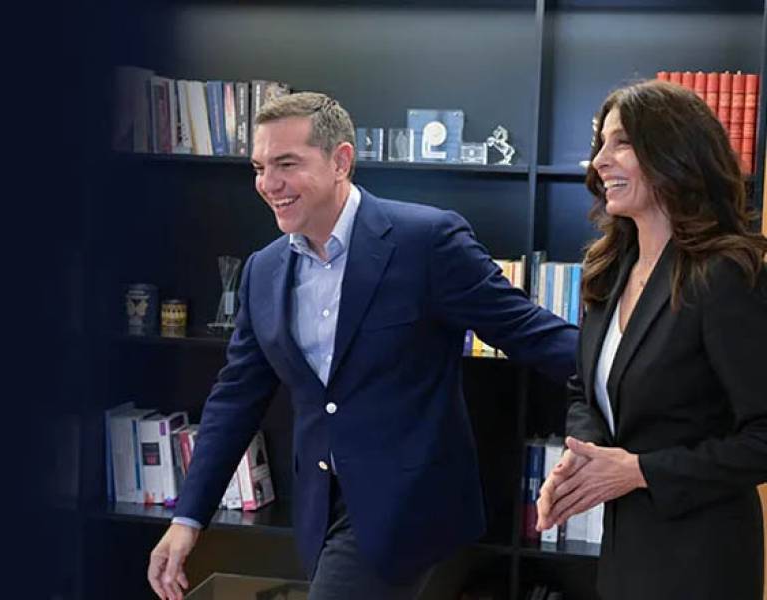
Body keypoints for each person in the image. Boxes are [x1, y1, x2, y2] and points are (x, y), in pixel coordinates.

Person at [147, 91, 578, 600]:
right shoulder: (263, 270)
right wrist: (188, 517)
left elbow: (528, 331)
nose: (268, 184)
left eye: (287, 164)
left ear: (341, 161)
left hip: (408, 507)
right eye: (260, 167)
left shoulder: (427, 241)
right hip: (319, 509)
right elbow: (235, 398)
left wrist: (634, 375)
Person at [536, 80, 767, 600]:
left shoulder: (726, 275)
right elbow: (582, 390)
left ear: (674, 153)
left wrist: (640, 471)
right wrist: (584, 460)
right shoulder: (609, 270)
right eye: (600, 144)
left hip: (703, 561)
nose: (600, 161)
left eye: (621, 143)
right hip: (626, 553)